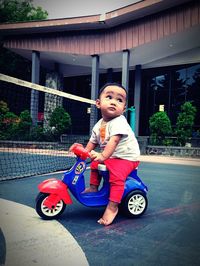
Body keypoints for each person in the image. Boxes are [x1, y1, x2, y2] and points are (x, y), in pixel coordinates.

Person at [70, 83, 140, 226]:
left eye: (119, 100)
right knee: (95, 164)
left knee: (116, 176)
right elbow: (92, 142)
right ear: (98, 103)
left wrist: (102, 156)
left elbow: (114, 141)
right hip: (112, 157)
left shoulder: (119, 122)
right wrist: (84, 153)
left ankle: (113, 207)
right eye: (109, 97)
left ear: (124, 108)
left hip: (126, 158)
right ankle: (94, 187)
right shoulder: (99, 124)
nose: (114, 101)